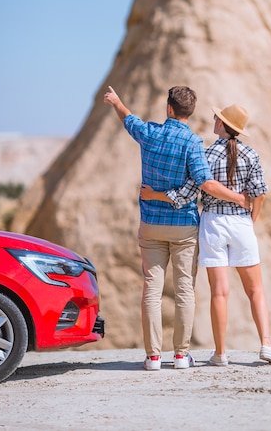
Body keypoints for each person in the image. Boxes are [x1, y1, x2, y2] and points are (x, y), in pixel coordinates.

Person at [104, 86, 250, 371]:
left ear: (169, 108)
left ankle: (153, 357)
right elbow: (203, 183)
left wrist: (116, 101)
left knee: (151, 290)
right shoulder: (193, 144)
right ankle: (181, 355)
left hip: (151, 225)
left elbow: (127, 118)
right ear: (190, 112)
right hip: (183, 227)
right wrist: (240, 199)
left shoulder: (150, 133)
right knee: (185, 290)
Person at [140, 103, 271, 366]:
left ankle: (220, 353)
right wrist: (251, 220)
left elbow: (188, 193)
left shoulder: (205, 154)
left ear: (221, 124)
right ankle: (266, 344)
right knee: (255, 290)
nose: (213, 119)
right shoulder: (251, 154)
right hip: (241, 224)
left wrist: (154, 195)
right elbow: (260, 193)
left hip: (212, 223)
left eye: (217, 117)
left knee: (220, 292)